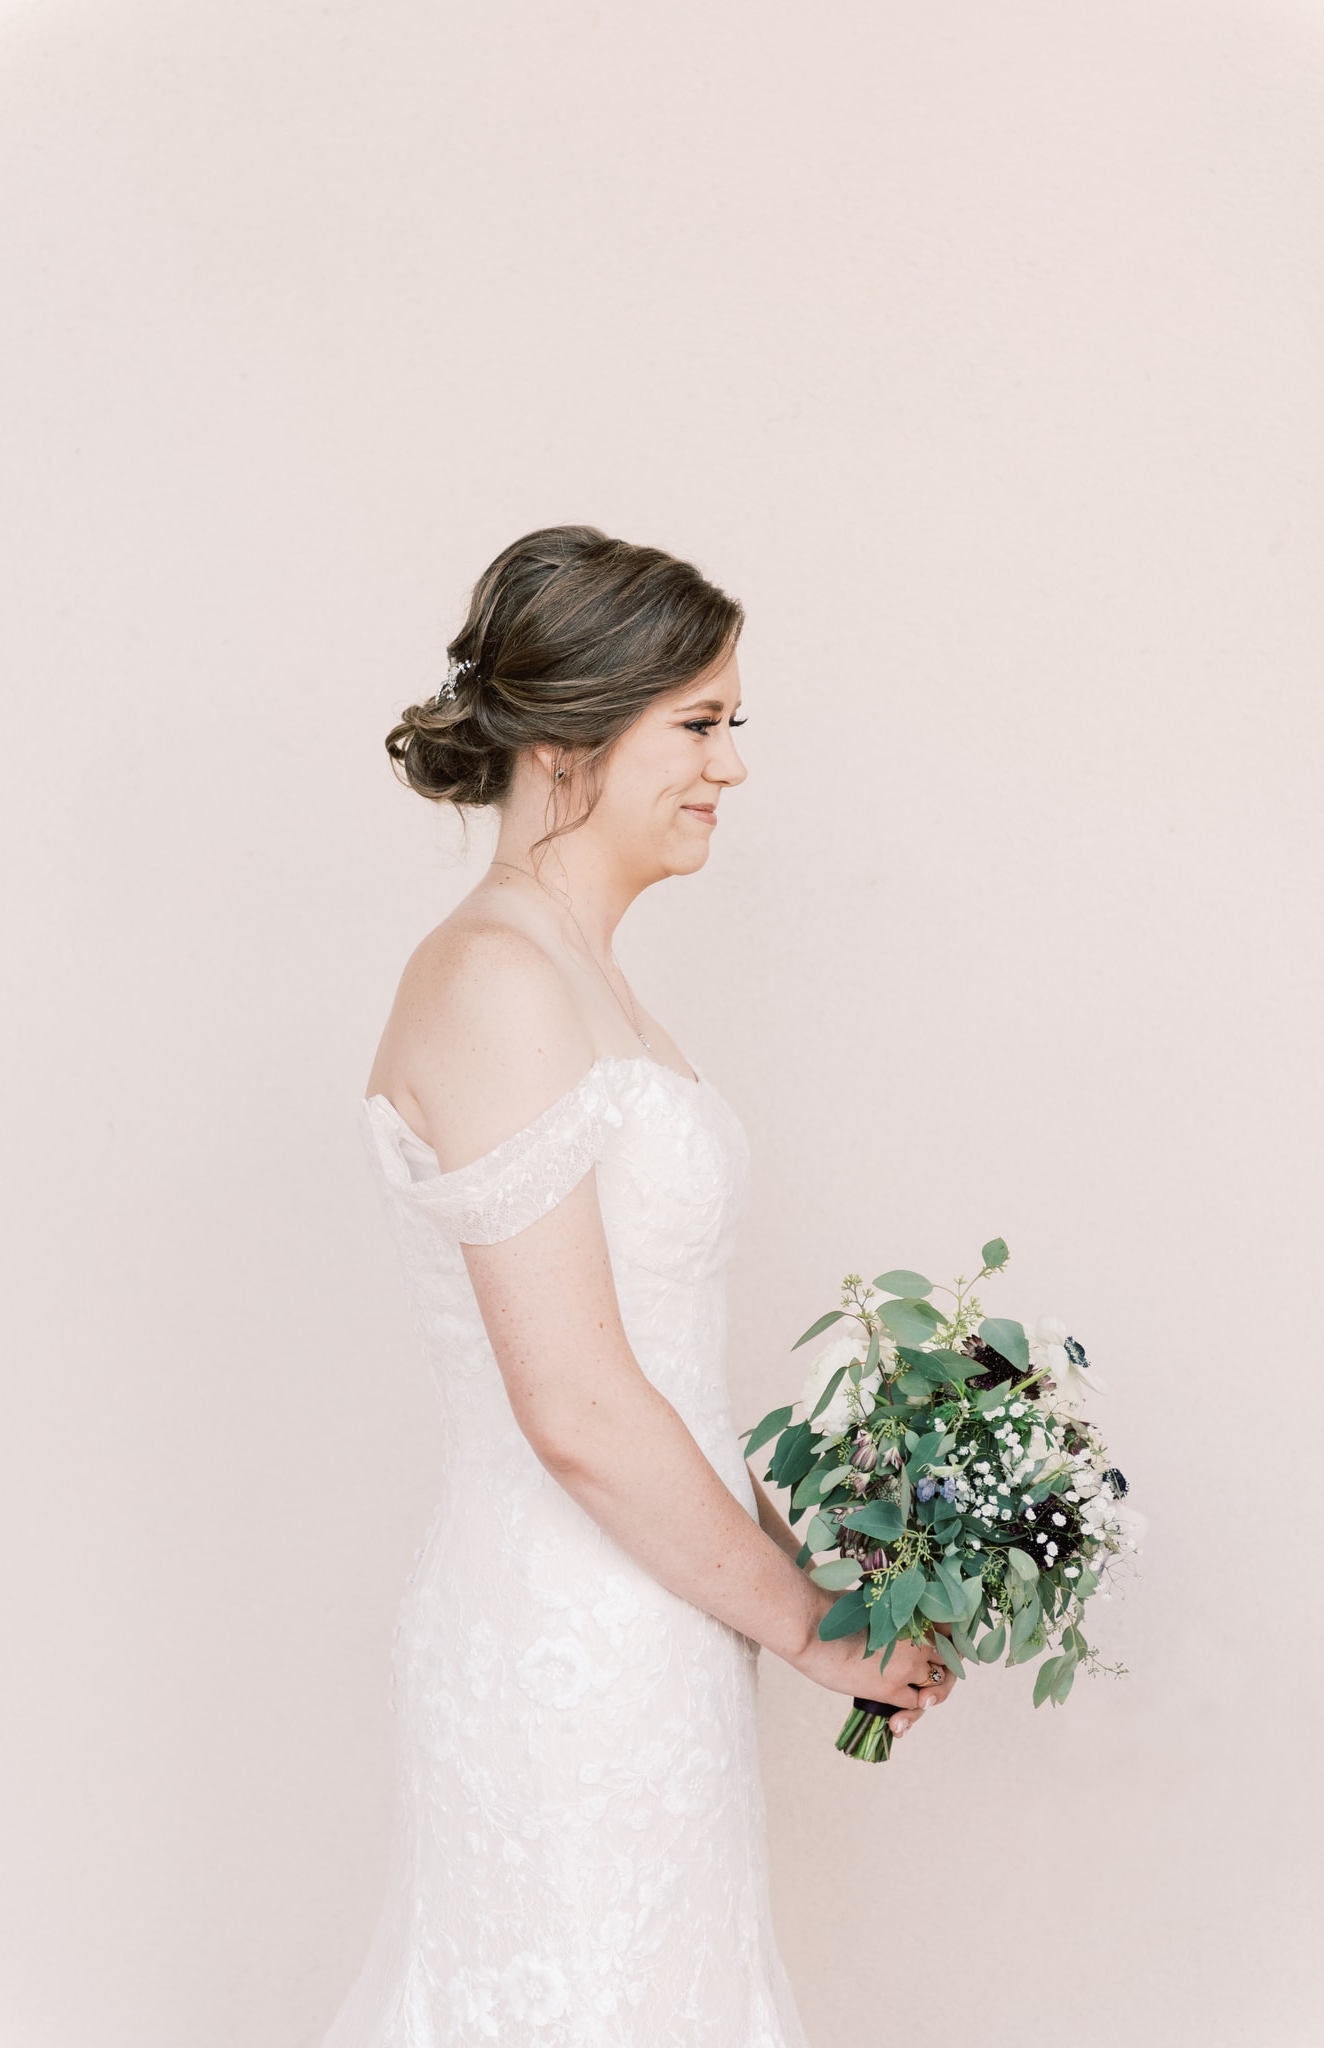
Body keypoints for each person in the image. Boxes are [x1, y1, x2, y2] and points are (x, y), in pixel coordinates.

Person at [322, 525, 955, 2048]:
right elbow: (583, 1404)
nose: (729, 768)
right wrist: (813, 1627)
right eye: (698, 724)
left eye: (735, 726)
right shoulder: (497, 978)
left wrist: (848, 1572)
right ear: (566, 738)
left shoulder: (583, 974)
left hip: (658, 1616)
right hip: (567, 1634)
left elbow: (657, 1366)